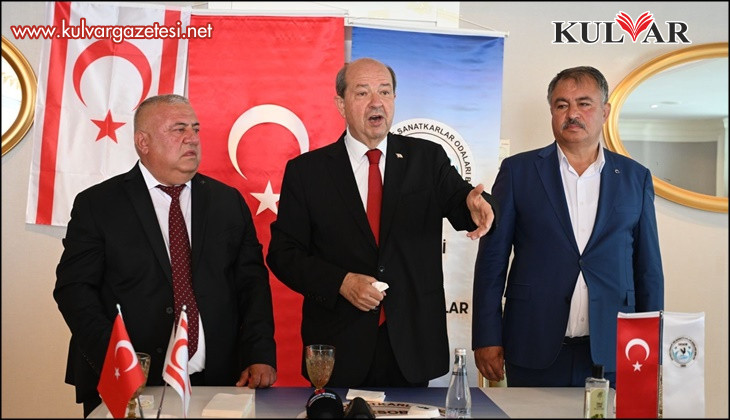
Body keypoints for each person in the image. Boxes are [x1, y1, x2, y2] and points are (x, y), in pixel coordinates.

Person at [266, 57, 498, 388]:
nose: (377, 102)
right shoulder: (307, 172)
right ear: (341, 104)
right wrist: (341, 283)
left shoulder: (427, 158)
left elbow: (461, 202)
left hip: (410, 343)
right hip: (339, 343)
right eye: (362, 93)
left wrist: (479, 205)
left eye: (385, 92)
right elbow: (284, 254)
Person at [53, 94, 277, 417]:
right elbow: (74, 290)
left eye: (196, 129)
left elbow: (252, 284)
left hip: (218, 380)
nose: (192, 138)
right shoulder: (98, 205)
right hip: (129, 381)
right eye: (179, 129)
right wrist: (117, 361)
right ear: (143, 142)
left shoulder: (227, 202)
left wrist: (259, 352)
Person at [472, 66, 664, 388]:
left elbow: (648, 269)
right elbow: (493, 260)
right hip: (533, 343)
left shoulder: (635, 177)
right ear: (552, 111)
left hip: (615, 349)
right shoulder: (518, 172)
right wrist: (486, 337)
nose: (572, 113)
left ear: (605, 111)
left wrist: (651, 343)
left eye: (584, 103)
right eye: (562, 105)